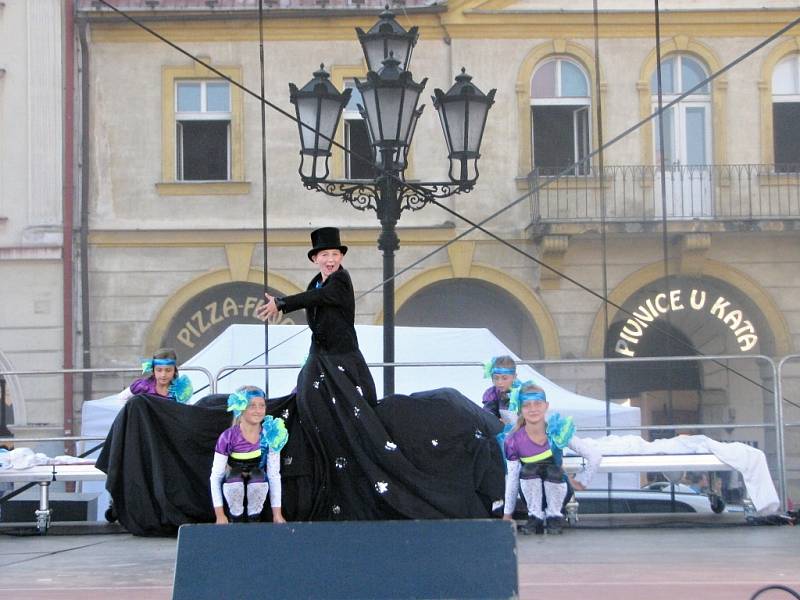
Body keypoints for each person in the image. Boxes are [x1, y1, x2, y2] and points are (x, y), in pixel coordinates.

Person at [256, 227, 504, 521]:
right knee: (307, 404)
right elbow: (316, 310)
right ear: (315, 259)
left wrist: (282, 303)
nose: (331, 259)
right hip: (321, 358)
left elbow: (313, 300)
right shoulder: (317, 282)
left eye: (335, 254)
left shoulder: (340, 283)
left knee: (356, 420)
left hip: (342, 361)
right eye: (325, 255)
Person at [502, 382, 601, 534]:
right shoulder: (513, 440)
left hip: (559, 492)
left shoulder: (557, 431)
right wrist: (507, 514)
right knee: (529, 469)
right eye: (527, 405)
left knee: (553, 470)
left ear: (546, 406)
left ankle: (555, 516)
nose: (533, 409)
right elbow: (513, 478)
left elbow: (594, 456)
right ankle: (535, 517)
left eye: (537, 403)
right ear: (520, 409)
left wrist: (583, 481)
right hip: (531, 497)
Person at [210, 386, 287, 524]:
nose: (258, 410)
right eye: (252, 406)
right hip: (234, 478)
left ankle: (254, 519)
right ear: (241, 409)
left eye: (262, 405)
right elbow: (216, 476)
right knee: (234, 482)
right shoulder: (228, 437)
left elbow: (274, 475)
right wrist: (220, 515)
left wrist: (277, 514)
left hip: (257, 478)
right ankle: (236, 519)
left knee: (258, 480)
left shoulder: (270, 436)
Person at [116, 348, 193, 403]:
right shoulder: (142, 386)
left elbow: (185, 411)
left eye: (168, 370)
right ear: (153, 370)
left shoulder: (180, 390)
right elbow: (121, 398)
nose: (163, 375)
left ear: (174, 370)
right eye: (159, 370)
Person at [481, 355, 520, 424]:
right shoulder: (493, 393)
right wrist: (495, 420)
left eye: (504, 378)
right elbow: (488, 412)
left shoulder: (522, 393)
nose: (500, 382)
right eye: (496, 378)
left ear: (514, 377)